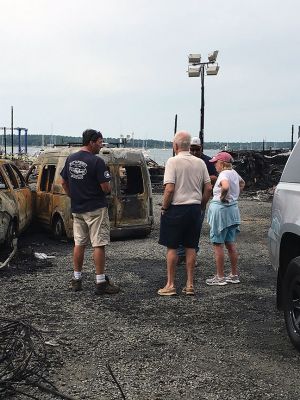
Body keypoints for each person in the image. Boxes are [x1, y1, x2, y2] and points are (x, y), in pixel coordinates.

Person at [60, 129, 119, 295]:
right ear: (92, 142)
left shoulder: (71, 159)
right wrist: (107, 189)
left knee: (79, 243)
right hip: (95, 209)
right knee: (98, 244)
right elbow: (105, 187)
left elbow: (63, 182)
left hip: (78, 208)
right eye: (100, 142)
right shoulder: (97, 162)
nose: (101, 146)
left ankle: (76, 279)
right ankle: (101, 282)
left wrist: (75, 195)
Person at [158, 131, 212, 296]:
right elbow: (208, 188)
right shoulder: (200, 162)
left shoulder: (172, 161)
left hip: (177, 208)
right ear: (189, 146)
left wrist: (165, 208)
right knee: (191, 247)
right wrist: (201, 205)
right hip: (194, 208)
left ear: (175, 146)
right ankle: (189, 284)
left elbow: (169, 188)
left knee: (172, 247)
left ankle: (171, 284)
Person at [205, 152, 245, 286]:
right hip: (233, 209)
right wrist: (235, 195)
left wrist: (223, 197)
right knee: (230, 243)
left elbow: (225, 186)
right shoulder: (234, 172)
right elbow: (242, 183)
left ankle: (220, 277)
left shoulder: (223, 174)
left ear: (222, 163)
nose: (215, 165)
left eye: (216, 162)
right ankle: (234, 275)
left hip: (221, 210)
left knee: (218, 244)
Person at [177, 136, 218, 264]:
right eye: (192, 149)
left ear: (201, 148)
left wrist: (201, 178)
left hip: (199, 200)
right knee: (181, 228)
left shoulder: (207, 161)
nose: (194, 152)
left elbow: (215, 177)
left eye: (197, 150)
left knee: (194, 229)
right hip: (183, 199)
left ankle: (191, 255)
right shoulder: (183, 160)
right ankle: (181, 254)